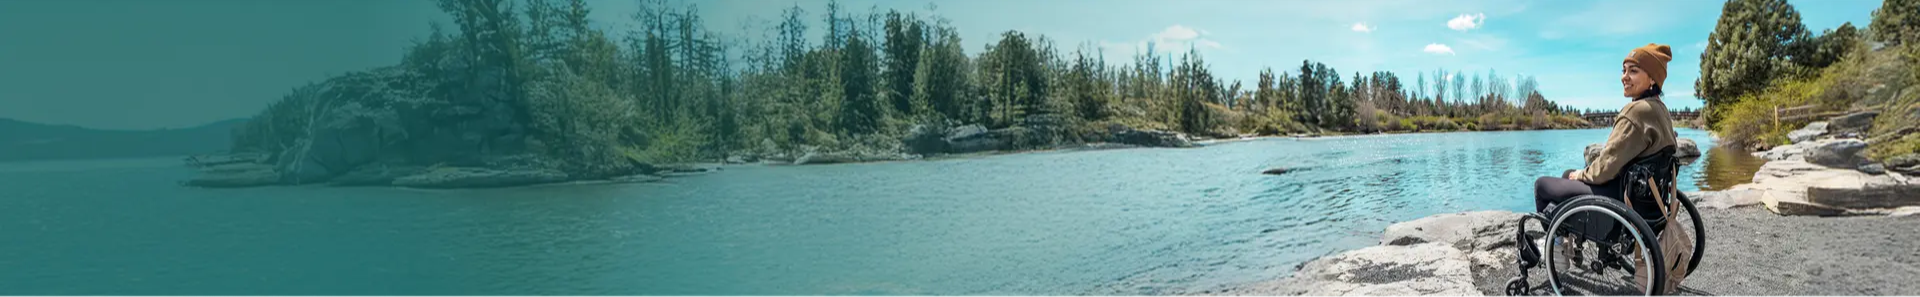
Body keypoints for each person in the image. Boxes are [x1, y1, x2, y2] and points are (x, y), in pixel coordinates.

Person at [1533, 43, 1678, 214]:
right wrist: (1578, 174)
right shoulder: (1660, 109)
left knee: (1542, 185)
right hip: (1648, 200)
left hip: (1621, 200)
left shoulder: (1636, 111)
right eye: (1623, 70)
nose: (1624, 77)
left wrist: (1581, 174)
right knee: (1567, 174)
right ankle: (1559, 230)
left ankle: (1555, 238)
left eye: (1633, 71)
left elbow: (1605, 167)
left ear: (1652, 78)